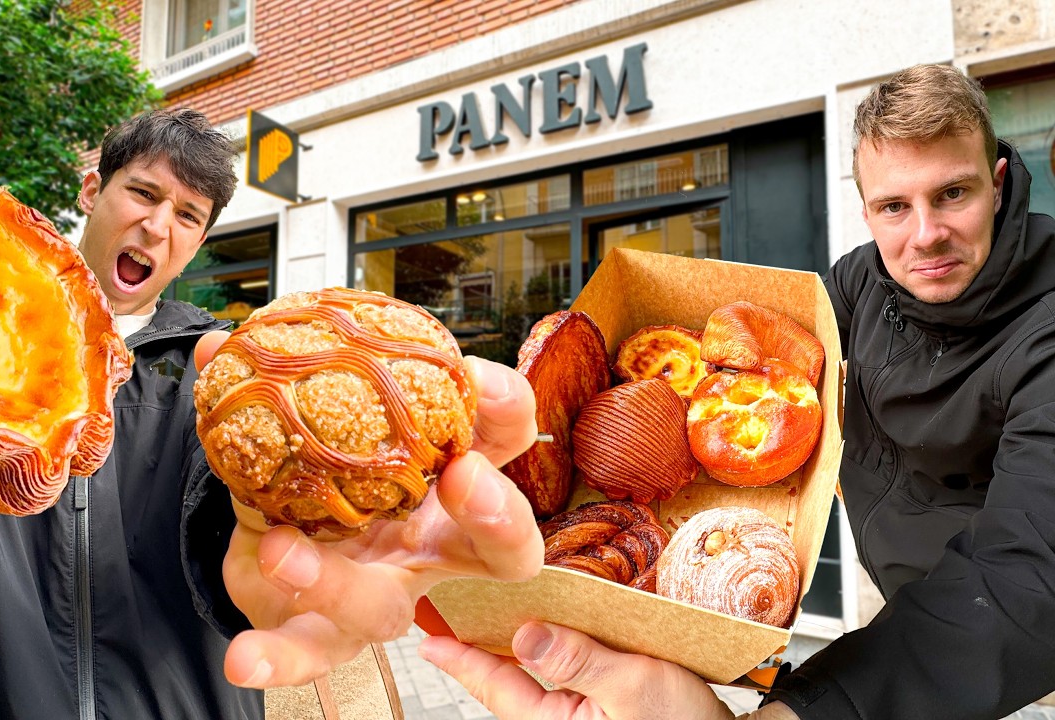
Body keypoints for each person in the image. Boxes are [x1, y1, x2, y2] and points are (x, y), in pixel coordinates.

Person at [0, 108, 545, 719]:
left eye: (187, 215)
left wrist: (299, 562)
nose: (156, 227)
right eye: (142, 193)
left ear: (200, 241)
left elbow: (230, 556)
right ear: (91, 190)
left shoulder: (227, 378)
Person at [422, 63, 1055, 720]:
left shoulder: (1045, 331)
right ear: (866, 208)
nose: (925, 234)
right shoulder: (864, 280)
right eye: (894, 206)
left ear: (999, 182)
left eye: (953, 194)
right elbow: (770, 363)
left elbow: (1029, 574)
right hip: (896, 578)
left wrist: (794, 713)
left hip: (978, 632)